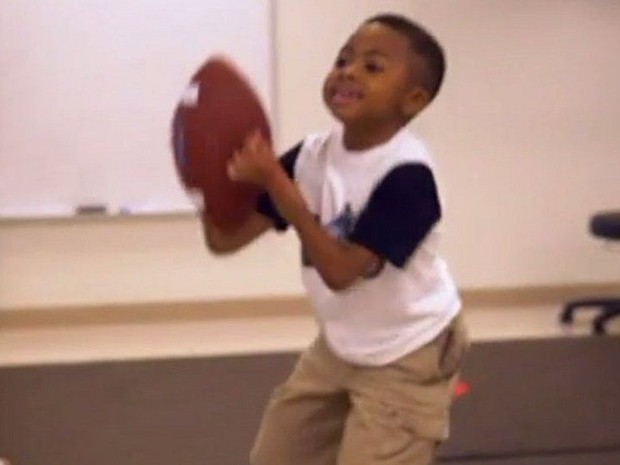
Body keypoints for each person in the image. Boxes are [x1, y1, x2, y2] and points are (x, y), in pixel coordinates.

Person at [200, 13, 469, 465]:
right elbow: (225, 241)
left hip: (408, 349)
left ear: (413, 99)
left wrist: (280, 187)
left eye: (373, 66)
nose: (348, 70)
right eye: (343, 58)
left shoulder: (408, 176)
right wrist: (208, 183)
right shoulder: (310, 157)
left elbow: (341, 272)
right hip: (343, 343)